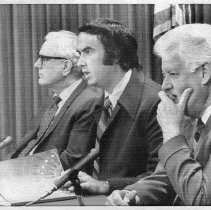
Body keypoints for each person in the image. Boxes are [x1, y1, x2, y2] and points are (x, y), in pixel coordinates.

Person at [107, 23, 211, 206]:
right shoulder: (190, 119)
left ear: (204, 72)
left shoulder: (179, 122)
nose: (164, 86)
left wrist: (172, 134)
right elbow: (169, 176)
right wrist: (133, 193)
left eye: (173, 74)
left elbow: (201, 200)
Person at [75, 18, 163, 195]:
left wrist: (106, 185)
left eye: (88, 52)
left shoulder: (156, 101)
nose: (79, 63)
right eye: (79, 53)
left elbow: (160, 177)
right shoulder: (101, 98)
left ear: (115, 55)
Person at [10, 30, 104, 172]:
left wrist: (17, 175)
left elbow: (72, 159)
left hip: (45, 183)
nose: (36, 64)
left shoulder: (89, 100)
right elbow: (29, 146)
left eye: (44, 58)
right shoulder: (54, 100)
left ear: (66, 66)